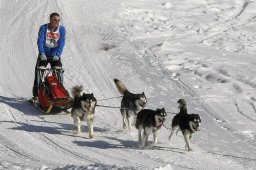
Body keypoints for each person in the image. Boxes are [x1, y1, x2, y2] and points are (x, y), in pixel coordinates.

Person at [32, 12, 66, 101]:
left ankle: (59, 95)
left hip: (55, 55)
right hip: (44, 55)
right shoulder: (43, 28)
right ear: (50, 20)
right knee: (39, 73)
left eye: (58, 20)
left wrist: (58, 55)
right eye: (55, 20)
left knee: (58, 73)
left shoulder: (61, 29)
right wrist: (42, 53)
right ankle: (36, 95)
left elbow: (61, 43)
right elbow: (40, 41)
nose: (57, 22)